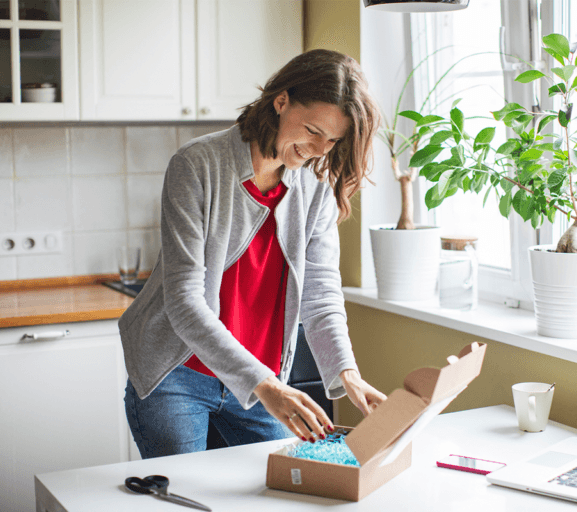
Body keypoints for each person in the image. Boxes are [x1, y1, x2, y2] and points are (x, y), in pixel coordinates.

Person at [120, 49, 386, 459]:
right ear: (281, 101)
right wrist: (268, 387)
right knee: (186, 497)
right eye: (313, 130)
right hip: (179, 374)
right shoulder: (197, 165)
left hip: (263, 381)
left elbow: (321, 295)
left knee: (280, 493)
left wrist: (347, 374)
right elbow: (185, 301)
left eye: (332, 140)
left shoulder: (315, 188)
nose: (318, 149)